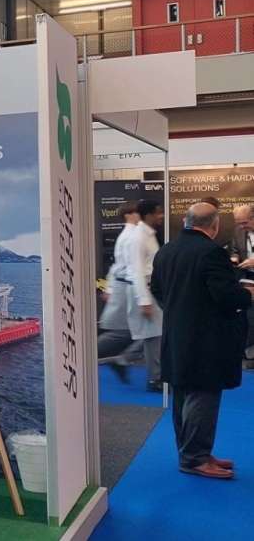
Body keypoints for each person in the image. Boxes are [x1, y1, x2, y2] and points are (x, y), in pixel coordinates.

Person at [151, 202, 252, 479]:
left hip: (177, 334)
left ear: (187, 220)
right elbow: (227, 296)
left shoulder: (166, 250)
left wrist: (181, 310)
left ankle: (193, 452)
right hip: (207, 339)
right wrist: (247, 295)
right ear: (215, 225)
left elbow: (157, 290)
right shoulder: (211, 252)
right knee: (204, 396)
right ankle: (194, 458)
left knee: (183, 395)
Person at [98, 202, 139, 383]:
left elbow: (117, 265)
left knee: (142, 331)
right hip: (128, 289)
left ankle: (122, 359)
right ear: (129, 215)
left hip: (127, 289)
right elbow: (122, 266)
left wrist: (109, 288)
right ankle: (87, 354)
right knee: (124, 333)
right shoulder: (131, 235)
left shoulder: (129, 235)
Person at [127, 200, 165, 391]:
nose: (161, 216)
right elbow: (136, 270)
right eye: (158, 212)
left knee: (155, 334)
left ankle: (155, 375)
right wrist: (144, 300)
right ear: (149, 215)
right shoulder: (138, 237)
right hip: (145, 291)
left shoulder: (149, 235)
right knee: (153, 336)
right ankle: (154, 379)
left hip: (151, 290)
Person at [229, 204, 254, 370]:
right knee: (249, 318)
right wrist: (234, 257)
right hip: (248, 280)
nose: (242, 226)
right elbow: (235, 249)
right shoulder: (239, 231)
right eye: (238, 223)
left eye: (244, 222)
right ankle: (250, 354)